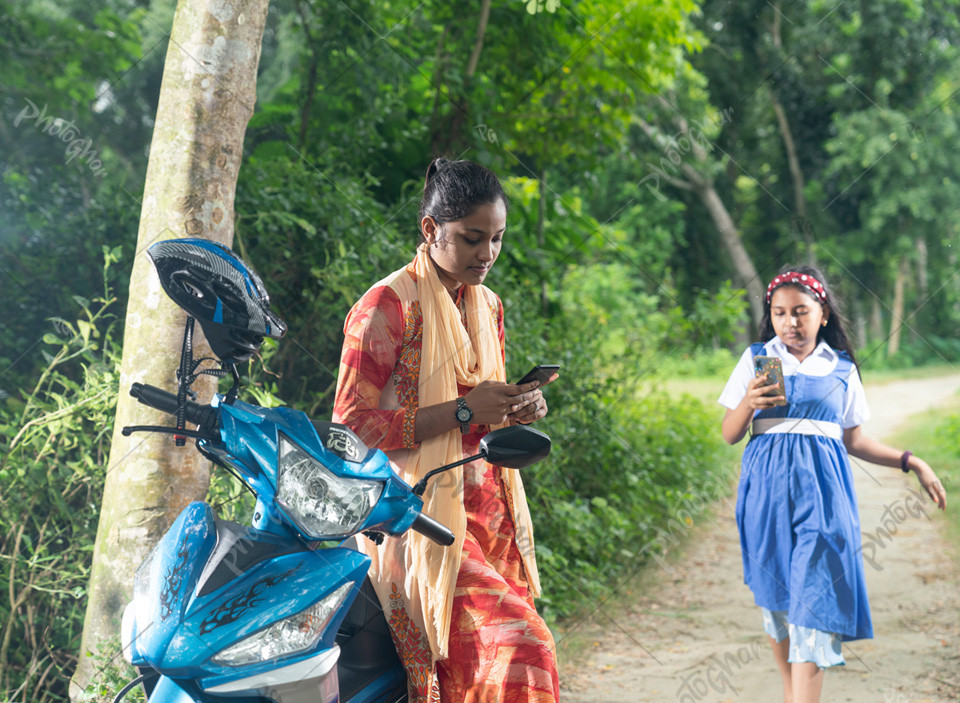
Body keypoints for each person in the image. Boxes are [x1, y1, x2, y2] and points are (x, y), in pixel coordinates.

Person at [333, 157, 560, 702]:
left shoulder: (488, 304)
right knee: (525, 649)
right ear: (430, 229)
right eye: (472, 239)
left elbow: (484, 404)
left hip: (488, 504)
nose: (488, 255)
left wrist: (519, 406)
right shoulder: (385, 307)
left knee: (494, 663)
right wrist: (463, 411)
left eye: (498, 239)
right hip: (416, 513)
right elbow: (350, 427)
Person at [718, 265, 947, 703]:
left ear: (822, 313)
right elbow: (730, 433)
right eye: (781, 313)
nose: (791, 323)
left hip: (825, 501)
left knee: (815, 606)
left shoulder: (841, 368)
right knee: (779, 605)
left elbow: (855, 440)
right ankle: (791, 694)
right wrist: (748, 402)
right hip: (764, 501)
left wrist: (911, 461)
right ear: (771, 315)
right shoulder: (756, 358)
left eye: (801, 311)